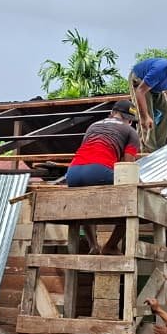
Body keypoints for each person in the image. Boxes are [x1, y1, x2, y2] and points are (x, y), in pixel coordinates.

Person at [65, 99, 141, 254]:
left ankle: (93, 246)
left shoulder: (93, 126)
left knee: (86, 204)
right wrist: (141, 184)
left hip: (72, 173)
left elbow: (87, 151)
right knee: (134, 200)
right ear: (129, 120)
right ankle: (111, 246)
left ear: (112, 113)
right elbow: (127, 168)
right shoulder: (131, 132)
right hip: (98, 172)